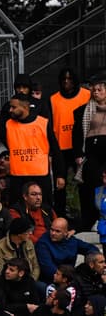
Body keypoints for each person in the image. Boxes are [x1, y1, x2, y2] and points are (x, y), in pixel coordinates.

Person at [0, 94, 64, 207]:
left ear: (24, 107)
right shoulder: (9, 124)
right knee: (17, 209)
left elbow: (56, 149)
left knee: (43, 208)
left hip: (40, 176)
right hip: (18, 177)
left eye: (14, 107)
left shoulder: (43, 123)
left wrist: (60, 174)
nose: (10, 110)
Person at [72, 72, 106, 231]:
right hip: (91, 154)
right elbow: (77, 134)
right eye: (94, 90)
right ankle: (93, 218)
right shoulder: (82, 111)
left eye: (100, 89)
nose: (96, 92)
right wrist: (78, 154)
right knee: (93, 185)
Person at [35, 217, 97, 283]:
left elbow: (92, 249)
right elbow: (48, 269)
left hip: (71, 277)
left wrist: (89, 263)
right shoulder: (43, 243)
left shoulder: (71, 240)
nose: (53, 233)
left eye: (57, 231)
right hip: (52, 280)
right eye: (52, 230)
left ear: (66, 232)